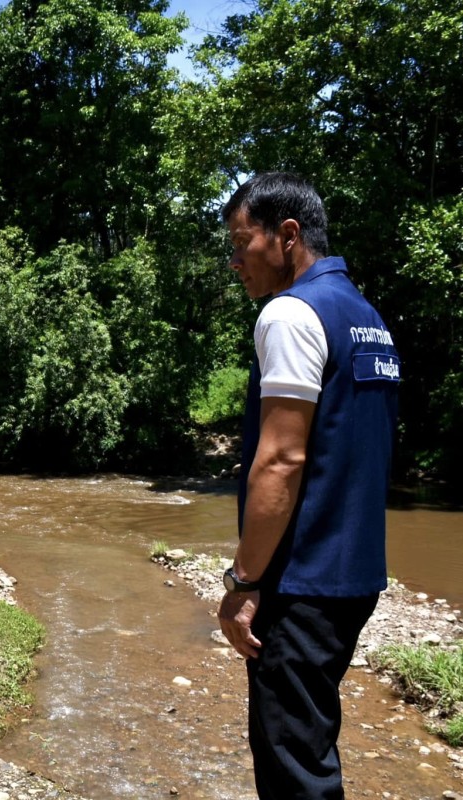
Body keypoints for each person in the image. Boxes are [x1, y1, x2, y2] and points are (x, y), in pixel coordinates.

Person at [217, 173, 400, 799]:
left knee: (293, 768)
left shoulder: (291, 313)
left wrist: (243, 583)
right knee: (309, 747)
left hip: (299, 583)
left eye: (243, 244)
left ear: (287, 236)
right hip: (352, 576)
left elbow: (281, 460)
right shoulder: (366, 317)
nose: (235, 262)